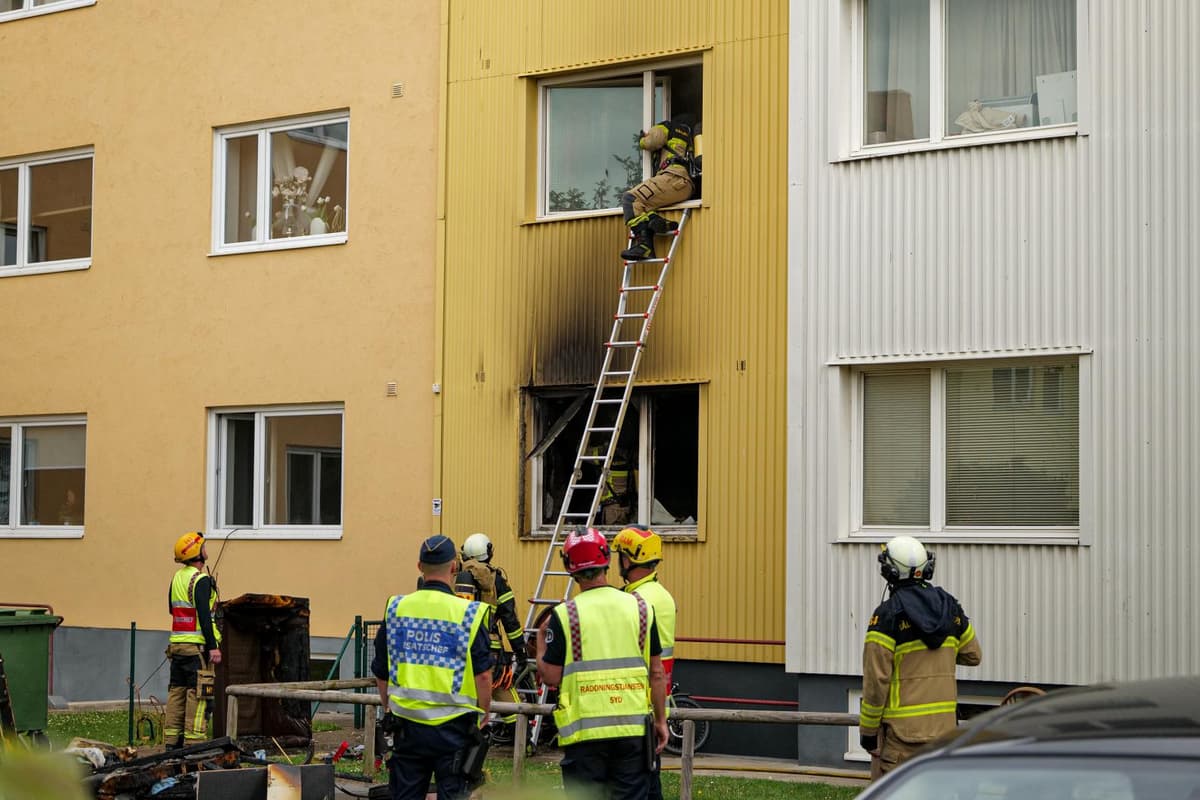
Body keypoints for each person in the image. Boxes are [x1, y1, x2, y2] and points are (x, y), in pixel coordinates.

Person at [537, 527, 668, 800]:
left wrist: (541, 640)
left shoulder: (565, 615)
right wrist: (660, 720)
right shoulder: (642, 608)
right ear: (607, 559)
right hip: (632, 731)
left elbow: (550, 677)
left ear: (569, 567)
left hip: (584, 737)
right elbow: (657, 673)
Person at [372, 534, 492, 800]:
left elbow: (381, 669)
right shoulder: (468, 613)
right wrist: (484, 713)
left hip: (408, 727)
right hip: (455, 729)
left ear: (419, 567)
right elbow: (483, 675)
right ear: (454, 567)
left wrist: (388, 705)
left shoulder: (397, 609)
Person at [859, 535, 982, 778]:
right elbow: (973, 655)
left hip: (903, 739)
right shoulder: (950, 608)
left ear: (889, 572)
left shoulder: (886, 617)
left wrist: (868, 733)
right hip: (945, 734)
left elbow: (876, 682)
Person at [612, 526, 676, 800]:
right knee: (650, 784)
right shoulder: (659, 594)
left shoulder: (637, 600)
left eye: (620, 556)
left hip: (636, 705)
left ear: (628, 559)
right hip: (653, 702)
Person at [453, 532, 528, 728]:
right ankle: (522, 737)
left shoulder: (455, 578)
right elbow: (510, 619)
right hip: (490, 649)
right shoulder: (496, 580)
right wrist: (520, 651)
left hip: (457, 648)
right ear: (487, 552)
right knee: (503, 688)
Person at [164, 531, 222, 750]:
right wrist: (213, 647)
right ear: (196, 552)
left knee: (176, 694)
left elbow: (172, 609)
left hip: (176, 648)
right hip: (197, 649)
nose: (206, 549)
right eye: (203, 546)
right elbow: (205, 617)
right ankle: (193, 746)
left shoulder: (177, 578)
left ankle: (172, 744)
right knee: (198, 698)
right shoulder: (201, 579)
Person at [619, 115, 698, 262]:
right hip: (684, 186)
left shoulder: (666, 126)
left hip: (671, 177)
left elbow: (652, 141)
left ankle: (644, 246)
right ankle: (658, 222)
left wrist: (642, 138)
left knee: (630, 200)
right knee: (645, 205)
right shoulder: (689, 137)